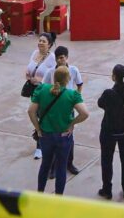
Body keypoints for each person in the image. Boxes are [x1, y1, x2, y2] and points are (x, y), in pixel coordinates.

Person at [29, 66, 90, 195]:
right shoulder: (72, 95)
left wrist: (38, 128)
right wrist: (71, 124)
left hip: (45, 135)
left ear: (53, 77)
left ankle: (39, 194)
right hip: (63, 136)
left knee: (45, 165)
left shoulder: (42, 89)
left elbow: (31, 111)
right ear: (68, 79)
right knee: (61, 167)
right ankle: (58, 198)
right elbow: (85, 113)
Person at [42, 46, 84, 178]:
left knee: (69, 137)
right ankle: (53, 167)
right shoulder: (50, 72)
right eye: (58, 58)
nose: (60, 61)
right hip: (54, 110)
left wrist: (76, 99)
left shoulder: (73, 70)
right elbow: (44, 88)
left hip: (68, 110)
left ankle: (69, 164)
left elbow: (80, 84)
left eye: (62, 58)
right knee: (54, 138)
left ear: (67, 58)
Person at [98, 64, 124, 200]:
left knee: (107, 160)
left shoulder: (109, 93)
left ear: (114, 76)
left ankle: (107, 189)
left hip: (109, 130)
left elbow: (100, 103)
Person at [25, 33, 58, 160]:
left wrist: (39, 81)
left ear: (49, 45)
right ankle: (41, 139)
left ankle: (40, 146)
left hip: (45, 91)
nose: (40, 43)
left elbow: (54, 76)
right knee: (36, 115)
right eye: (39, 40)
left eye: (43, 41)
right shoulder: (34, 53)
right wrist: (29, 77)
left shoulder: (52, 58)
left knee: (42, 117)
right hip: (34, 91)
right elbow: (29, 69)